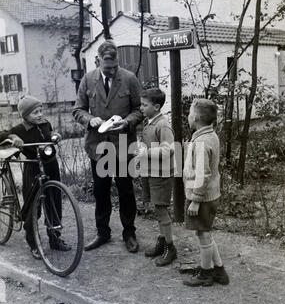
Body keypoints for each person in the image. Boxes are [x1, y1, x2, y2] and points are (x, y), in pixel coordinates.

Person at [73, 40, 143, 253]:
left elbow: (139, 110)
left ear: (118, 62)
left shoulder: (129, 79)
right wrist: (89, 120)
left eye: (114, 67)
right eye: (107, 67)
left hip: (122, 145)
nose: (111, 71)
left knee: (125, 190)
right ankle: (102, 232)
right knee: (101, 192)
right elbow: (78, 110)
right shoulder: (88, 79)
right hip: (99, 146)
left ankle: (129, 233)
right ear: (98, 61)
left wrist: (128, 121)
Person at [0, 95, 70, 259]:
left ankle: (55, 238)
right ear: (25, 116)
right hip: (33, 169)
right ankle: (33, 242)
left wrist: (55, 135)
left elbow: (50, 133)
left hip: (51, 167)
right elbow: (3, 135)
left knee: (54, 202)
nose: (39, 115)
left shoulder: (45, 124)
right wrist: (13, 138)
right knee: (33, 206)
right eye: (35, 113)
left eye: (40, 111)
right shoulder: (19, 129)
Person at [182, 98, 229, 287]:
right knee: (206, 232)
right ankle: (219, 271)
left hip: (202, 197)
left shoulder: (201, 142)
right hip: (210, 195)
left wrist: (195, 200)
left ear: (195, 118)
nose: (188, 116)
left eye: (189, 113)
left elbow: (203, 174)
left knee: (203, 235)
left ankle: (206, 274)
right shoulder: (210, 135)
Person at [137, 88, 177, 266]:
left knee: (161, 210)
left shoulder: (163, 125)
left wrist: (146, 152)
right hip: (151, 172)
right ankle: (162, 241)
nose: (141, 107)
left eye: (144, 105)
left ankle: (170, 247)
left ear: (156, 106)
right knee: (157, 209)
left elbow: (168, 149)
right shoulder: (150, 121)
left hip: (161, 174)